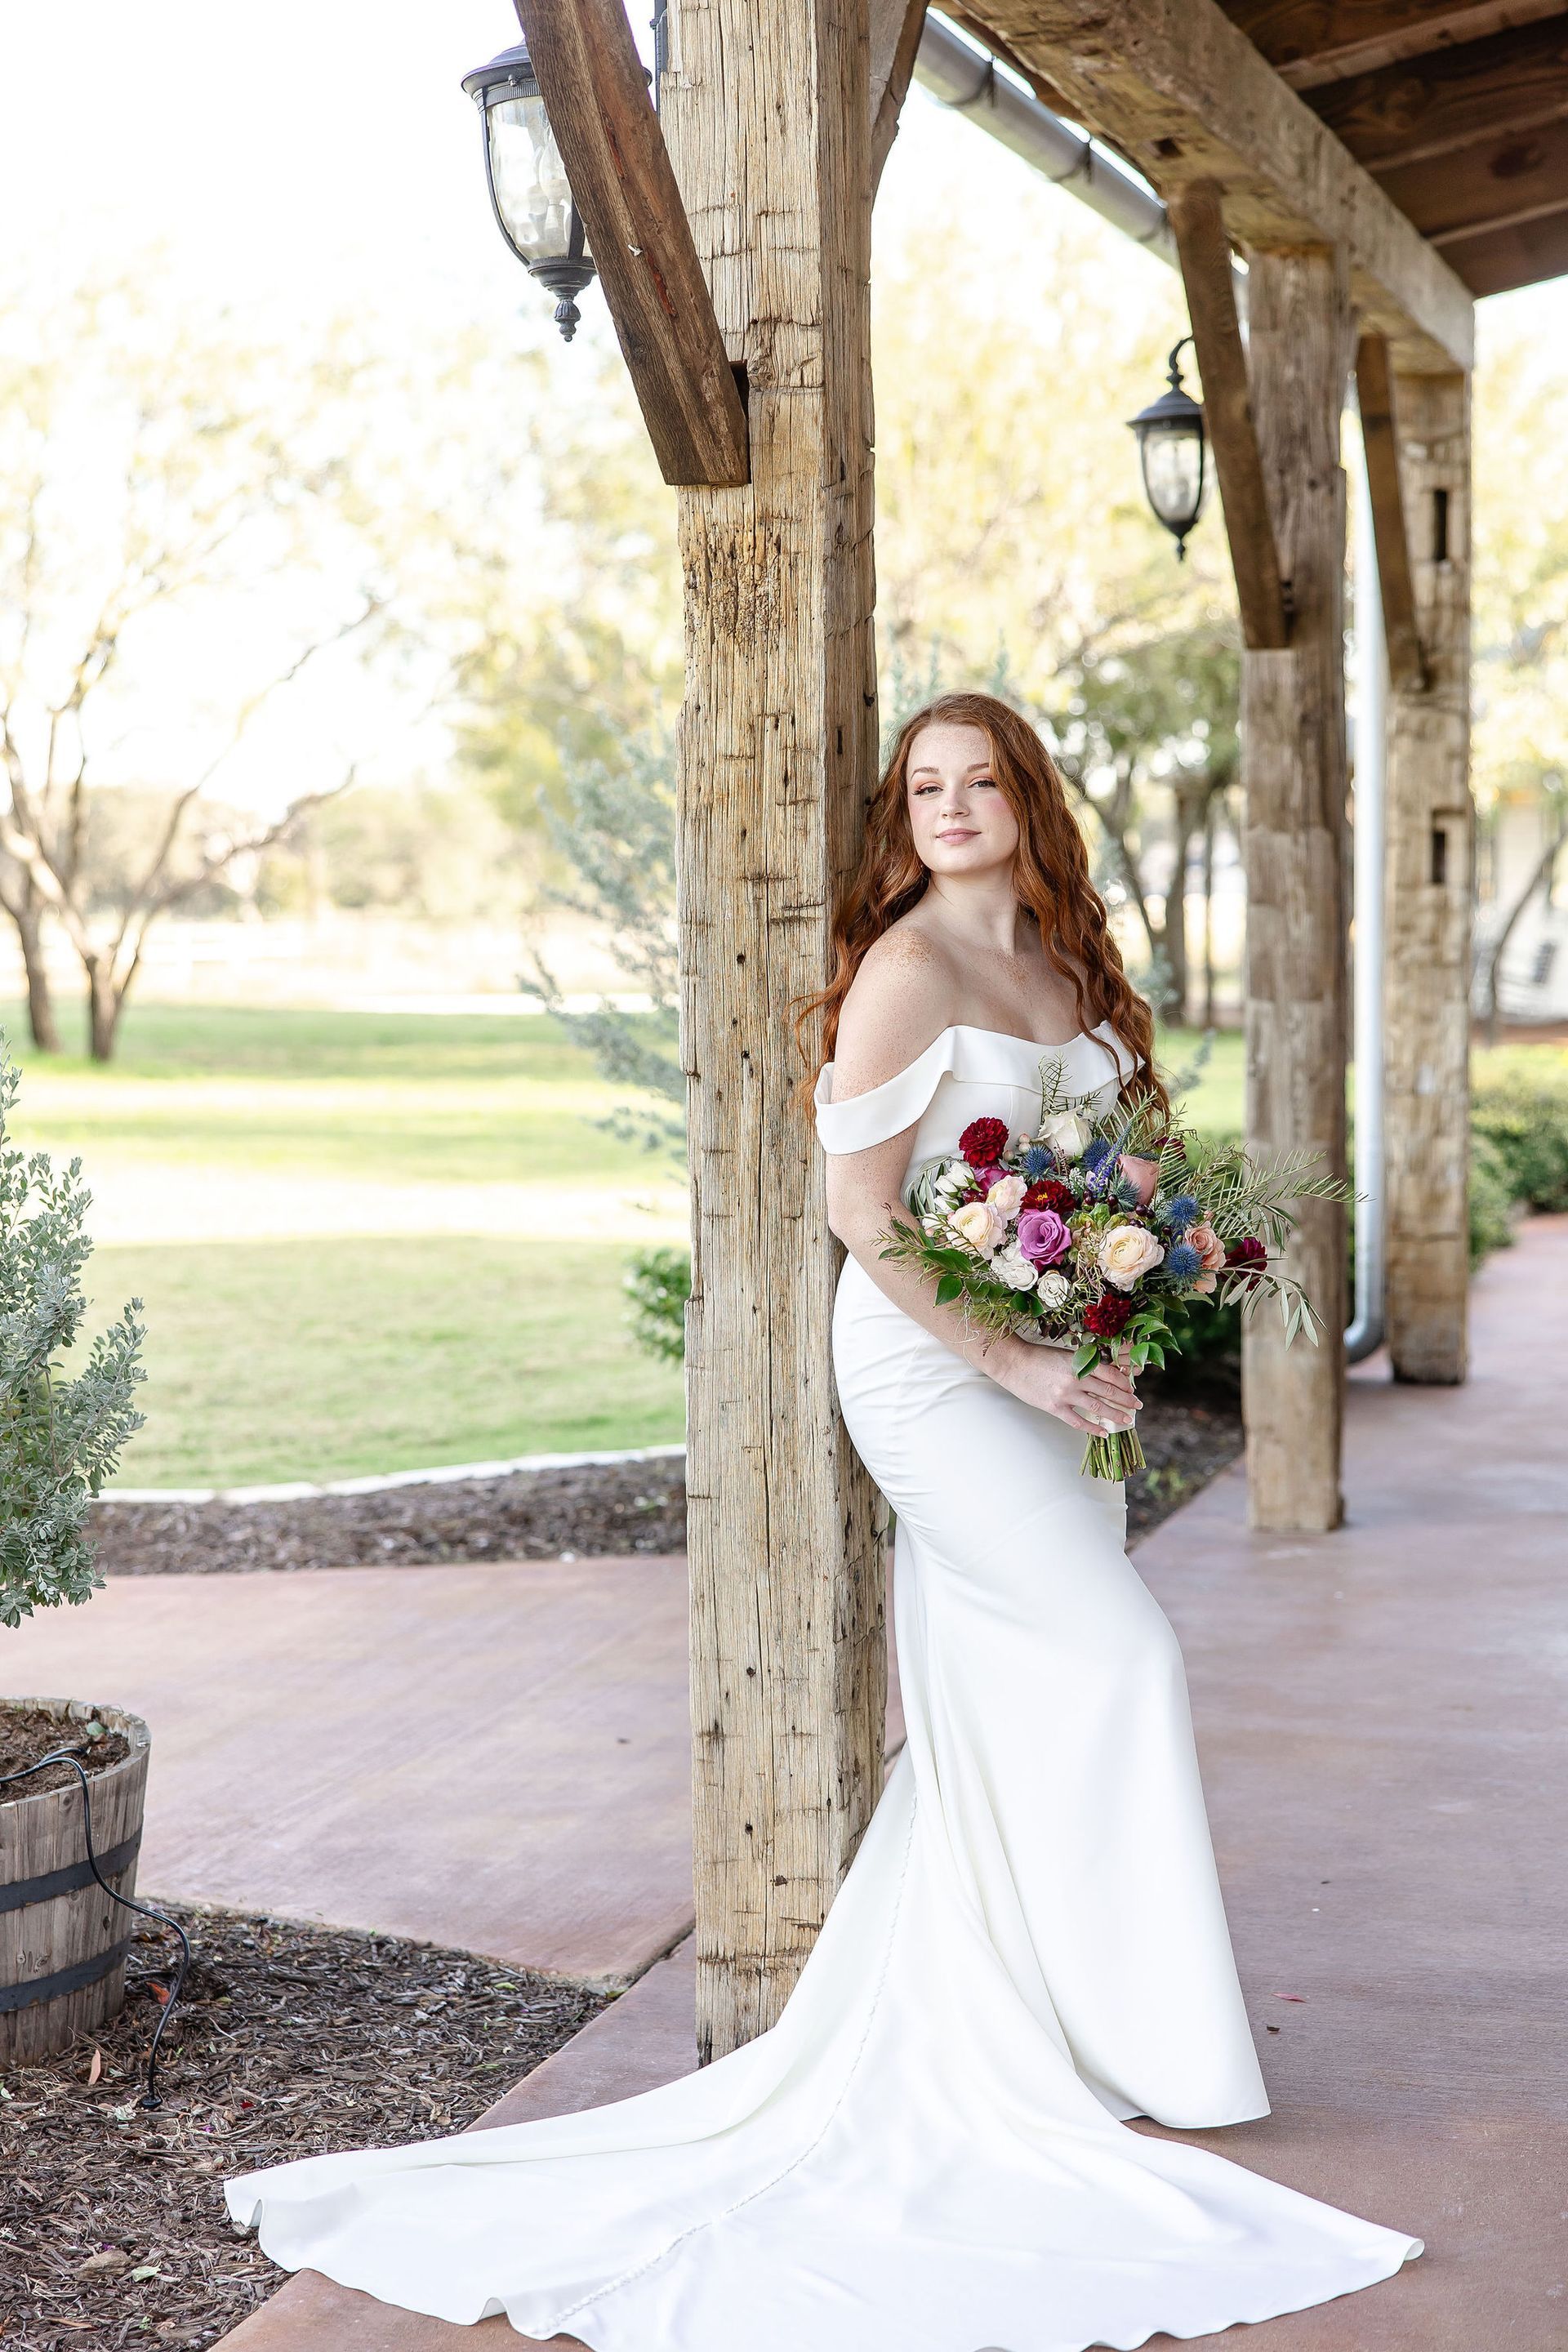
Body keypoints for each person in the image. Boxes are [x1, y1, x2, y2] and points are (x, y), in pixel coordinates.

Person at [226, 693, 1420, 2348]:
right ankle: (1139, 2026)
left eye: (976, 782)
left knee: (1011, 1689)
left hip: (1049, 1368)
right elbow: (865, 1216)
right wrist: (1012, 1352)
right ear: (903, 816)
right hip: (938, 1380)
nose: (946, 808)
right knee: (1121, 1656)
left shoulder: (1072, 971)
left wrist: (1128, 1287)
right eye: (921, 789)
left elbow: (1089, 1183)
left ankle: (1042, 2020)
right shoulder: (907, 972)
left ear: (1025, 801)